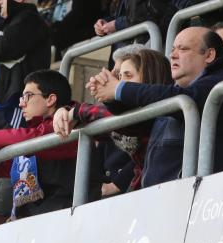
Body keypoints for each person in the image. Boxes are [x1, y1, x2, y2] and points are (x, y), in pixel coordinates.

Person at [88, 27, 223, 184]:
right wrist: (109, 96)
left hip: (218, 201)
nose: (173, 55)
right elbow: (138, 122)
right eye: (172, 50)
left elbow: (187, 99)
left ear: (209, 55)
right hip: (170, 200)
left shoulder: (220, 84)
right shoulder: (178, 93)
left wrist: (118, 88)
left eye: (183, 49)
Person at [0, 70, 99, 218]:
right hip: (40, 220)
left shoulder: (69, 124)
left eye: (28, 96)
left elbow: (31, 138)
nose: (21, 103)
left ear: (50, 99)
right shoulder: (36, 132)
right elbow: (7, 165)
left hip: (67, 218)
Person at [54, 48, 172, 194]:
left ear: (149, 78)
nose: (119, 83)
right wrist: (64, 111)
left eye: (127, 76)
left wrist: (77, 111)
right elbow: (103, 121)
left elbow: (115, 119)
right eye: (119, 76)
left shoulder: (157, 113)